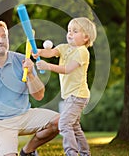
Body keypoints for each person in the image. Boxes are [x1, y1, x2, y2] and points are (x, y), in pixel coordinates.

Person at [0, 20, 60, 156]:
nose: (1, 41)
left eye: (4, 36)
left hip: (24, 115)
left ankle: (27, 151)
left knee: (60, 121)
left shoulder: (22, 60)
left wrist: (30, 75)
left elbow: (39, 95)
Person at [33, 17, 97, 156]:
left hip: (78, 95)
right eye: (69, 30)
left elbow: (68, 69)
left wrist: (47, 66)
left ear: (86, 37)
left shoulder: (82, 52)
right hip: (70, 96)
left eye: (75, 31)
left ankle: (71, 153)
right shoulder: (64, 47)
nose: (70, 33)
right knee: (74, 126)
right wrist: (38, 52)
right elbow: (50, 52)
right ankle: (85, 153)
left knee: (64, 124)